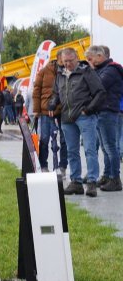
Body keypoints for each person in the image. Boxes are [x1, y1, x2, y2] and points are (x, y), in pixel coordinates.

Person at [48, 47, 106, 196]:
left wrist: (88, 109)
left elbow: (100, 93)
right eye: (64, 61)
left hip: (85, 116)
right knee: (72, 151)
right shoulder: (60, 74)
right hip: (67, 117)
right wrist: (53, 103)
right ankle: (76, 182)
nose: (67, 64)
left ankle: (92, 182)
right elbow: (56, 93)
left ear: (77, 58)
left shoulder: (86, 72)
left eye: (70, 61)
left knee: (89, 150)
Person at [85, 45, 123, 192]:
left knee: (110, 147)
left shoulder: (111, 70)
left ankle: (115, 179)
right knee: (105, 148)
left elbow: (96, 86)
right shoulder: (104, 69)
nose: (89, 62)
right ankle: (108, 175)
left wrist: (90, 70)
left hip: (108, 111)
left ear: (100, 56)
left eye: (90, 59)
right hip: (103, 111)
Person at [32, 51, 68, 175]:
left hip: (63, 110)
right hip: (46, 110)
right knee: (45, 139)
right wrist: (36, 110)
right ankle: (43, 165)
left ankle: (63, 166)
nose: (67, 62)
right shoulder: (44, 71)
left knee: (64, 139)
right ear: (59, 58)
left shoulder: (68, 71)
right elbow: (36, 91)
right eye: (64, 59)